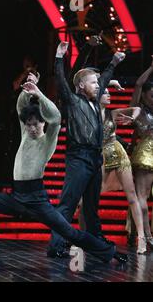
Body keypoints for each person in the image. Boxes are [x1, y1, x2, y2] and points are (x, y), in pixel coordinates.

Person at [0, 80, 127, 264]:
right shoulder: (25, 134)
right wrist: (27, 89)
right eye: (28, 124)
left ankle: (109, 252)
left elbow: (54, 116)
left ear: (42, 124)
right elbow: (21, 105)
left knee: (70, 232)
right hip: (17, 197)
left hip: (37, 200)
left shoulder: (47, 140)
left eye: (35, 124)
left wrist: (38, 93)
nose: (31, 128)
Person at [47, 41, 125, 258]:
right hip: (79, 158)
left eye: (97, 82)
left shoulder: (94, 103)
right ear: (81, 86)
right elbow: (62, 82)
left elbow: (105, 79)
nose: (98, 85)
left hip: (94, 158)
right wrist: (59, 58)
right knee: (68, 204)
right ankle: (56, 245)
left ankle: (95, 242)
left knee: (91, 207)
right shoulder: (72, 101)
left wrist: (114, 62)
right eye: (93, 82)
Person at [99, 88, 146, 254]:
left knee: (132, 195)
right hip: (100, 156)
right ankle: (86, 237)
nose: (109, 94)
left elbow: (137, 109)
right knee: (87, 200)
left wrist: (132, 118)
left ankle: (141, 237)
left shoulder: (113, 113)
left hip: (118, 153)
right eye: (105, 92)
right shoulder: (90, 113)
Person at [126, 56, 153, 246]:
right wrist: (151, 68)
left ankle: (139, 232)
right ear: (144, 96)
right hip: (146, 153)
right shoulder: (138, 110)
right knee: (141, 196)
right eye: (152, 95)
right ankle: (147, 236)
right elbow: (138, 84)